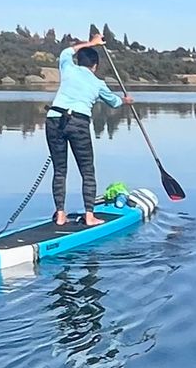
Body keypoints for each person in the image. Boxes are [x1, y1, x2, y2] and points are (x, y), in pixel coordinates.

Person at [46, 33, 132, 226]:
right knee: (87, 171)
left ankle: (60, 214)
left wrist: (91, 43)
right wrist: (126, 101)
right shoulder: (98, 84)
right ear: (95, 66)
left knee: (60, 171)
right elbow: (114, 102)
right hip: (77, 122)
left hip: (54, 119)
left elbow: (66, 51)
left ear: (79, 61)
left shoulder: (68, 67)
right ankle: (90, 215)